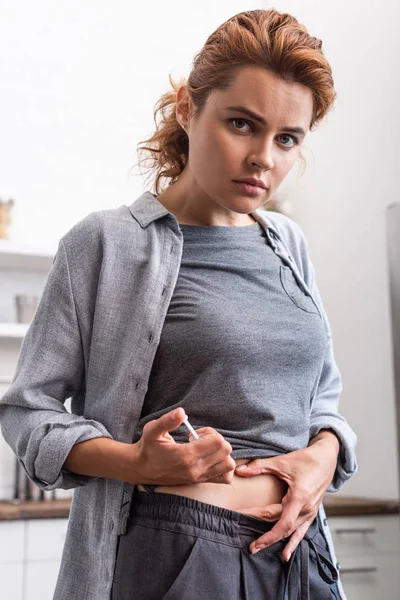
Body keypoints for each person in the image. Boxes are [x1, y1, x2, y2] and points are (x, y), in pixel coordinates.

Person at [0, 8, 358, 600]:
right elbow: (26, 410)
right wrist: (134, 463)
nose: (264, 158)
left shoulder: (289, 245)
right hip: (176, 558)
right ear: (189, 109)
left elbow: (322, 396)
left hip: (301, 552)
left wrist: (324, 456)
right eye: (243, 124)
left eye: (287, 139)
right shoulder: (105, 244)